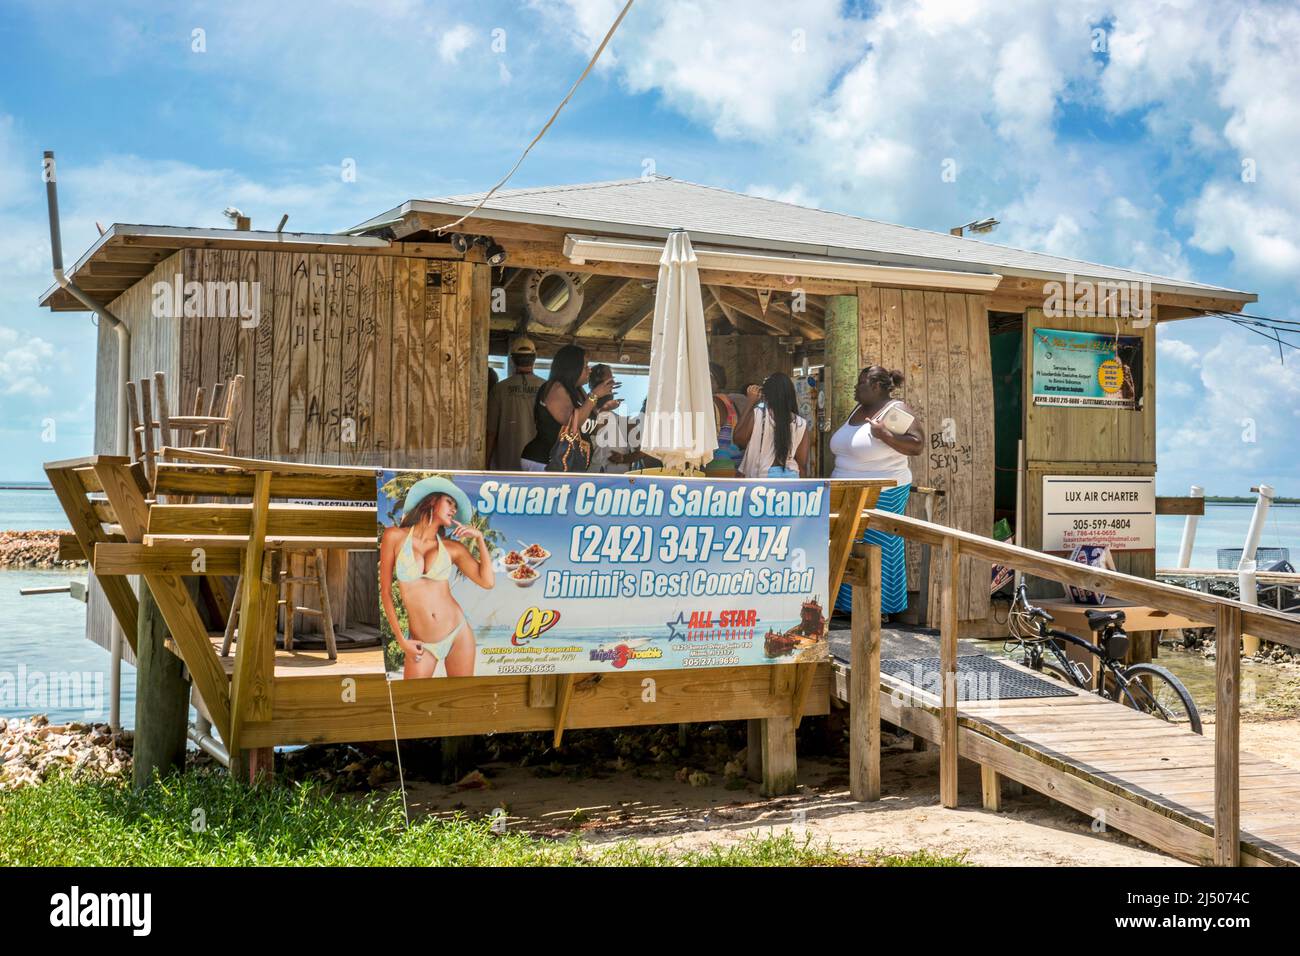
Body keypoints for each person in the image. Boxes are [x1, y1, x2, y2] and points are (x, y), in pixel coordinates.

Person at [829, 365, 924, 619]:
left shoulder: (895, 411)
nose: (855, 388)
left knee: (876, 543)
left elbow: (917, 445)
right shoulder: (858, 409)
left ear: (876, 387)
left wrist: (885, 434)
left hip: (884, 491)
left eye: (860, 384)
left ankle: (879, 607)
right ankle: (847, 605)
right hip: (848, 491)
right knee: (848, 544)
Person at [379, 476, 494, 679]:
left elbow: (487, 582)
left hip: (458, 633)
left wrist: (480, 539)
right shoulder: (394, 536)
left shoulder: (452, 548)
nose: (454, 510)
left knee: (461, 699)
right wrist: (401, 641)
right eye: (450, 502)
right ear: (432, 500)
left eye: (455, 507)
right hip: (421, 641)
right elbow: (386, 592)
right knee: (413, 701)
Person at [519, 344, 618, 471]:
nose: (590, 370)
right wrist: (594, 396)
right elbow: (572, 424)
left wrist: (603, 407)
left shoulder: (579, 391)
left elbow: (592, 428)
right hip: (544, 461)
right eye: (585, 366)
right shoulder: (557, 388)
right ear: (573, 368)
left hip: (567, 465)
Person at [734, 371, 810, 478]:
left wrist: (750, 402)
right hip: (791, 479)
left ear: (766, 394)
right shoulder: (801, 423)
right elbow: (802, 465)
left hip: (763, 480)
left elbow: (738, 439)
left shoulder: (758, 414)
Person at [485, 337, 545, 471]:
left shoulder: (499, 389)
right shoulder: (547, 387)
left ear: (512, 359)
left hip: (507, 463)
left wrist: (485, 462)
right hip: (538, 463)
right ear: (534, 358)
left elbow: (491, 432)